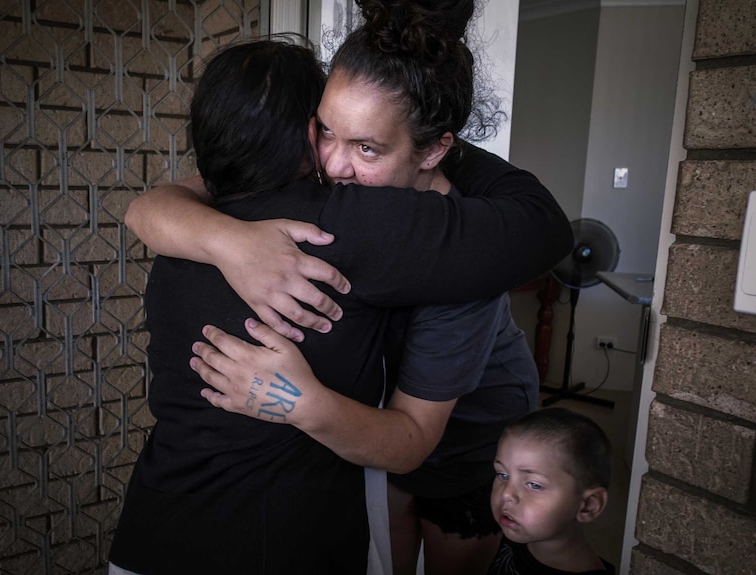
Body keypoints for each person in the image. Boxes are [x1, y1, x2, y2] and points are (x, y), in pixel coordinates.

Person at [109, 32, 567, 575]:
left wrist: (302, 402)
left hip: (152, 533)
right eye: (327, 132)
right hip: (283, 531)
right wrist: (226, 241)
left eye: (366, 145)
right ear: (307, 131)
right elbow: (542, 225)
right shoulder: (333, 221)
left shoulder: (182, 234)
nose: (336, 163)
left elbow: (147, 207)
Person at [488, 407, 615, 575]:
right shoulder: (518, 532)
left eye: (534, 485)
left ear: (588, 506)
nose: (506, 494)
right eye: (503, 474)